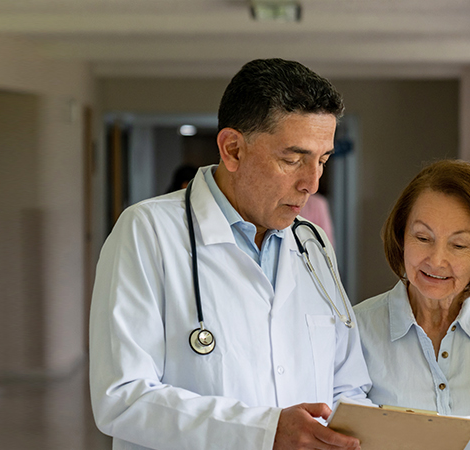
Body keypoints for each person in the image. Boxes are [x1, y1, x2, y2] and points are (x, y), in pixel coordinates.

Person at [89, 58, 370, 450]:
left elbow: (347, 383)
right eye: (293, 160)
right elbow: (122, 398)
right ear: (233, 149)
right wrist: (263, 432)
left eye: (322, 160)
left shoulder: (313, 243)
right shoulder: (148, 232)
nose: (312, 183)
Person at [355, 160, 470, 450]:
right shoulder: (357, 330)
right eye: (423, 238)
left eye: (459, 245)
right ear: (402, 237)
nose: (436, 260)